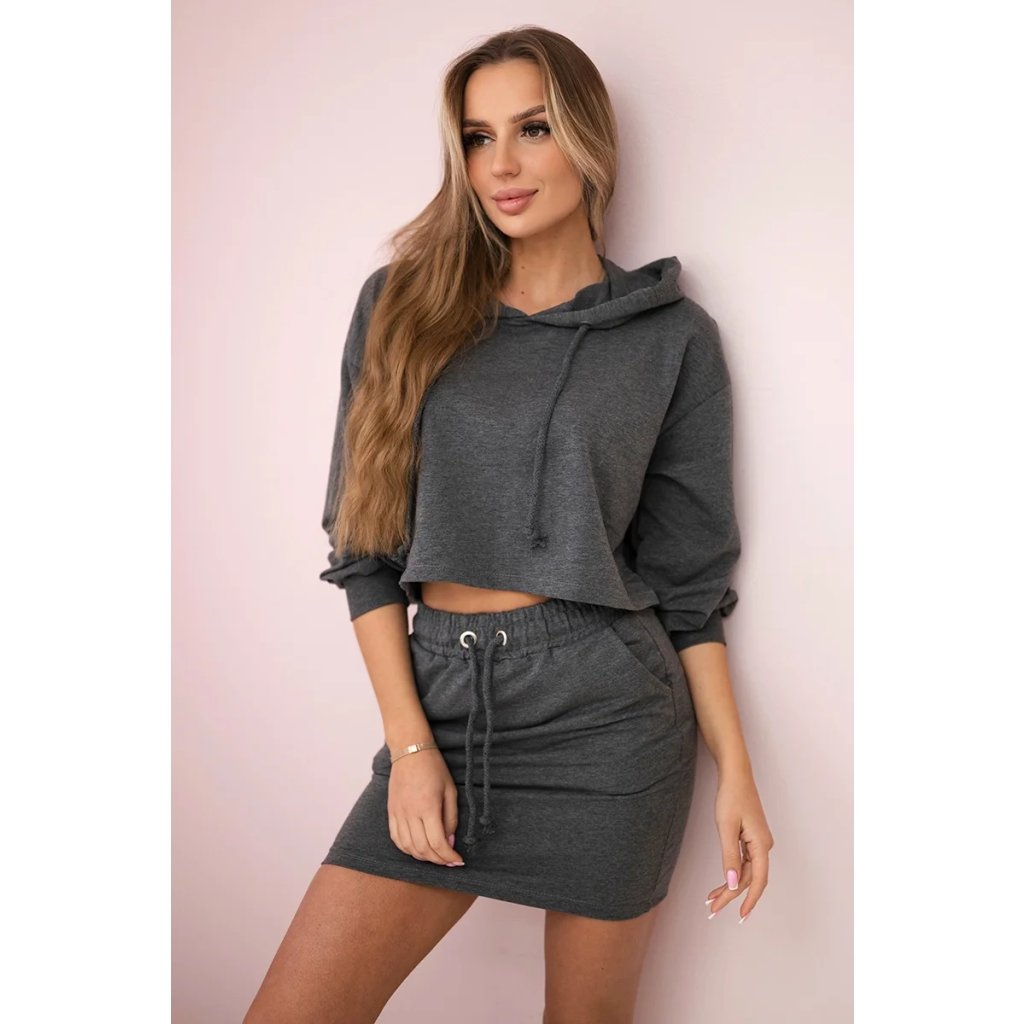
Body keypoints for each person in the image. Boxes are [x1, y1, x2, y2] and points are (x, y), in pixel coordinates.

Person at [245, 25, 774, 1024]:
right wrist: (410, 748)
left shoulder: (671, 339)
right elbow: (362, 550)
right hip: (441, 698)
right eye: (477, 137)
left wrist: (737, 776)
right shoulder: (402, 308)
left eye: (532, 128)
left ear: (588, 137)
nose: (502, 164)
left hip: (611, 720)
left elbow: (690, 586)